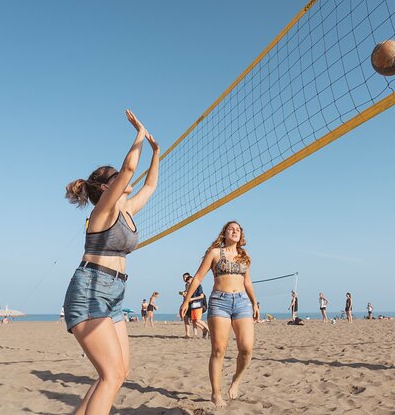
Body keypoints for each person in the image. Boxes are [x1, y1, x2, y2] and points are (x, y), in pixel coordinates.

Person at [62, 109, 160, 415]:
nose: (124, 179)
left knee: (119, 374)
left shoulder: (127, 209)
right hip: (90, 290)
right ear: (106, 188)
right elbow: (130, 168)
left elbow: (150, 186)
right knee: (111, 375)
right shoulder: (103, 210)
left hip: (114, 294)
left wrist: (157, 151)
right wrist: (140, 134)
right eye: (116, 179)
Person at [179, 221, 259, 408]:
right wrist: (186, 300)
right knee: (219, 350)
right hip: (219, 302)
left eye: (238, 229)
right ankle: (216, 393)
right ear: (224, 233)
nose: (235, 231)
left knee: (247, 348)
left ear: (241, 235)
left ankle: (236, 380)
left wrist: (255, 303)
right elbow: (198, 276)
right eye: (231, 229)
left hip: (241, 302)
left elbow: (247, 282)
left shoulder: (244, 257)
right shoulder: (215, 253)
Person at [185, 274, 209, 338]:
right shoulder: (189, 287)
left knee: (198, 320)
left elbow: (202, 296)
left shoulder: (198, 285)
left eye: (189, 282)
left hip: (198, 305)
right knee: (194, 321)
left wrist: (192, 299)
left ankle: (209, 330)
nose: (188, 283)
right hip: (192, 305)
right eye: (187, 282)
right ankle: (196, 334)